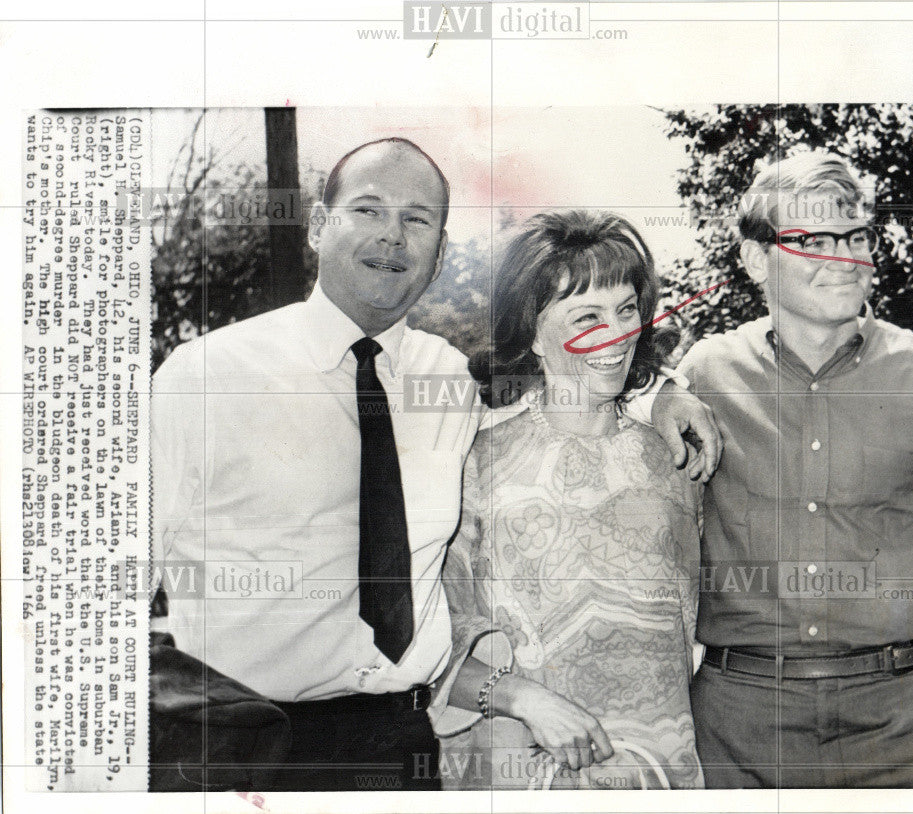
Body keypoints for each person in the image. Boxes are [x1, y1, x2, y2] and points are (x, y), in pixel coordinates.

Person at [151, 138, 721, 791]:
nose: (392, 237)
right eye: (368, 210)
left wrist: (659, 391)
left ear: (441, 250)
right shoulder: (206, 375)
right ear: (315, 226)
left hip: (401, 747)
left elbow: (578, 396)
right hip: (246, 745)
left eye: (417, 219)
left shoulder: (444, 379)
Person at [674, 151, 913, 788]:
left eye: (855, 236)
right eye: (812, 238)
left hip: (904, 729)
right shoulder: (703, 375)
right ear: (756, 258)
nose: (841, 257)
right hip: (739, 732)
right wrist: (653, 398)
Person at [435, 210, 705, 790]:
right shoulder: (474, 464)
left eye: (626, 310)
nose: (615, 335)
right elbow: (428, 645)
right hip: (519, 776)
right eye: (586, 316)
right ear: (532, 331)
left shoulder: (676, 459)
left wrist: (664, 395)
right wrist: (524, 700)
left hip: (661, 776)